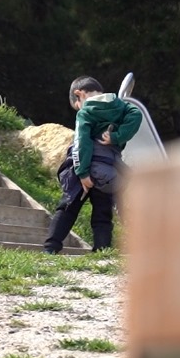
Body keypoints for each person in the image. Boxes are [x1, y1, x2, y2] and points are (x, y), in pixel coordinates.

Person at [43, 76, 143, 254]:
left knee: (68, 208)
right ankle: (102, 251)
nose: (78, 110)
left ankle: (51, 248)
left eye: (76, 106)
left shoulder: (86, 112)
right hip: (109, 170)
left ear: (79, 94)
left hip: (87, 167)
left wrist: (82, 173)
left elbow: (82, 143)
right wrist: (117, 136)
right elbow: (137, 115)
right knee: (103, 214)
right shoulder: (120, 106)